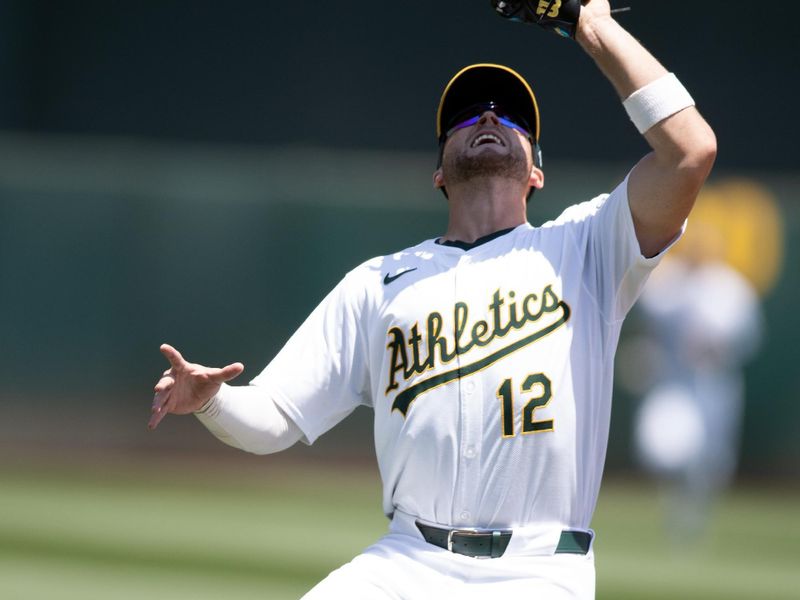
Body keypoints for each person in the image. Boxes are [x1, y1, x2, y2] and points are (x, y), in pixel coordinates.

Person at [148, 1, 716, 597]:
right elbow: (275, 419)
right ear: (439, 171)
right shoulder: (378, 282)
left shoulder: (589, 247)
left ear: (537, 172)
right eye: (466, 115)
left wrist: (592, 27)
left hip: (540, 569)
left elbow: (690, 152)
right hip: (407, 561)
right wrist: (213, 401)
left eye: (511, 115)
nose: (488, 115)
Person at [633, 223, 762, 545]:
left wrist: (714, 347)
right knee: (660, 450)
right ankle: (674, 502)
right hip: (673, 384)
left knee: (712, 460)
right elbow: (651, 328)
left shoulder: (730, 288)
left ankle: (692, 516)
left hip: (714, 385)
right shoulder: (668, 282)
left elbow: (747, 341)